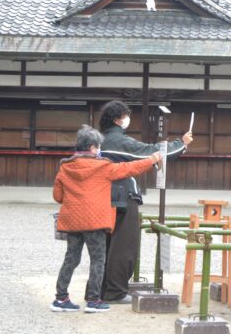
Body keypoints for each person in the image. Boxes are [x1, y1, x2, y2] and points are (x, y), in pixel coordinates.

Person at [52, 125, 161, 313]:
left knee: (71, 259)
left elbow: (58, 196)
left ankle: (60, 298)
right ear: (93, 148)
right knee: (97, 260)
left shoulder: (65, 167)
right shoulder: (103, 167)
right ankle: (94, 301)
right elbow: (129, 168)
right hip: (95, 222)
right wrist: (151, 160)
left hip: (72, 222)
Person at [98, 100, 192, 303]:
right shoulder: (117, 140)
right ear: (117, 119)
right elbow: (150, 152)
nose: (127, 120)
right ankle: (114, 291)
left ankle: (99, 290)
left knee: (103, 245)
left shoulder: (100, 139)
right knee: (123, 245)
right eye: (125, 116)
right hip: (121, 196)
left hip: (100, 196)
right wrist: (181, 143)